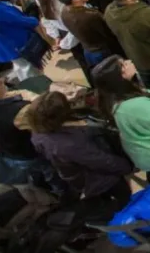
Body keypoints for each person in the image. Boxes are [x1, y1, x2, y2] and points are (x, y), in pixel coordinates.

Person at [27, 91, 134, 242]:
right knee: (124, 199)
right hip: (100, 179)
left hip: (77, 178)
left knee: (102, 199)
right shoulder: (69, 144)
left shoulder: (38, 132)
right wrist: (125, 166)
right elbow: (100, 160)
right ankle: (127, 225)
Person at [92, 55, 150, 193]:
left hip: (146, 154)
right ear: (120, 75)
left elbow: (149, 95)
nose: (130, 61)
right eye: (124, 64)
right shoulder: (132, 106)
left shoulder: (115, 96)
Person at [57, 0, 123, 68]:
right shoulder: (90, 16)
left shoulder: (64, 11)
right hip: (104, 52)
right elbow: (109, 33)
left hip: (89, 51)